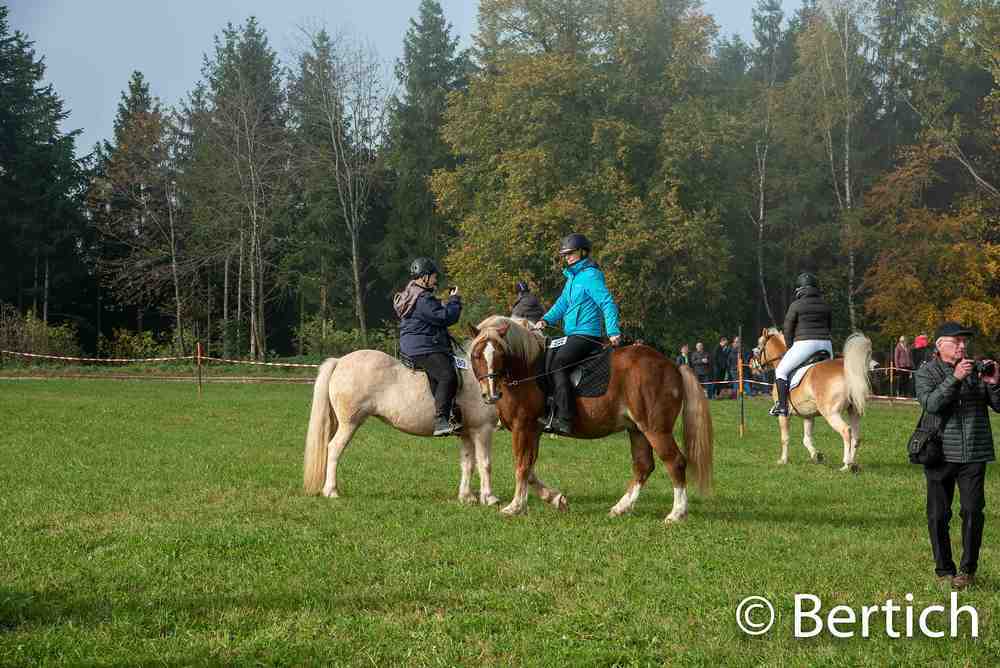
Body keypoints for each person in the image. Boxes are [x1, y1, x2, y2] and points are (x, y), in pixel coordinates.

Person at [914, 322, 1000, 589]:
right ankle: (944, 571)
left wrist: (994, 384)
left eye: (965, 342)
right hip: (939, 452)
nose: (963, 346)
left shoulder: (977, 370)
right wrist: (955, 378)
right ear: (940, 345)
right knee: (938, 515)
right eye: (956, 342)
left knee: (973, 511)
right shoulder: (926, 372)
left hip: (974, 451)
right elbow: (931, 404)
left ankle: (967, 571)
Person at [532, 233, 621, 435]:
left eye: (570, 253)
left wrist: (613, 330)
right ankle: (549, 409)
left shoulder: (590, 275)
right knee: (545, 358)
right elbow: (562, 304)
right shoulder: (572, 278)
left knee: (559, 364)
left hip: (586, 335)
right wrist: (545, 320)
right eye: (565, 255)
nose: (567, 258)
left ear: (583, 252)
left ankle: (565, 418)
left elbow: (607, 302)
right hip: (571, 334)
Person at [394, 257, 463, 436]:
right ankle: (441, 420)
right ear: (424, 277)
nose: (435, 280)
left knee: (438, 377)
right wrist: (455, 300)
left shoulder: (412, 294)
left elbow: (434, 314)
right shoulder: (422, 298)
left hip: (415, 345)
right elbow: (444, 318)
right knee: (448, 376)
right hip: (423, 347)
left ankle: (450, 415)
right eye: (433, 276)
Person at [770, 272, 833, 416]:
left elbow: (787, 328)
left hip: (805, 344)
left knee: (781, 371)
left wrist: (789, 346)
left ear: (800, 289)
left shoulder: (796, 305)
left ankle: (782, 406)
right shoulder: (825, 305)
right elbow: (830, 327)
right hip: (826, 345)